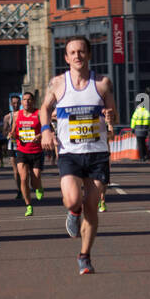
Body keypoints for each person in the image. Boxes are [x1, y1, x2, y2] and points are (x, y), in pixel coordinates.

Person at [38, 35, 116, 276]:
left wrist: (111, 120)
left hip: (97, 154)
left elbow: (114, 117)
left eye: (81, 52)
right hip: (70, 153)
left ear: (89, 55)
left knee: (91, 207)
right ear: (66, 58)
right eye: (73, 52)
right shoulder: (58, 84)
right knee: (73, 201)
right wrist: (45, 131)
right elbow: (44, 108)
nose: (77, 56)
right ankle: (73, 213)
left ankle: (85, 256)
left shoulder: (102, 83)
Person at [13, 91, 44, 216]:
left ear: (33, 101)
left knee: (34, 181)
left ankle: (39, 186)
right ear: (22, 102)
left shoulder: (39, 114)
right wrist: (12, 135)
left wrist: (40, 135)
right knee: (24, 178)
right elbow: (14, 131)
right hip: (22, 151)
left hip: (37, 151)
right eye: (24, 100)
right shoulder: (17, 115)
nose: (27, 102)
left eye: (29, 99)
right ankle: (28, 205)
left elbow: (49, 130)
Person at [2, 94, 22, 200]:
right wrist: (9, 133)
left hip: (24, 145)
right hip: (12, 146)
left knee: (24, 169)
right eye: (14, 103)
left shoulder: (24, 114)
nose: (16, 105)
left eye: (18, 103)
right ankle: (19, 190)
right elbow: (4, 131)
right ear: (10, 104)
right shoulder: (7, 117)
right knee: (16, 170)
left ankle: (25, 187)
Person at [130, 96, 150, 160]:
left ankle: (142, 157)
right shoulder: (146, 111)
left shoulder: (137, 112)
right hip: (145, 130)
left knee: (140, 144)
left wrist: (132, 128)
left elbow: (133, 120)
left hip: (138, 130)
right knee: (144, 143)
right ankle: (145, 155)